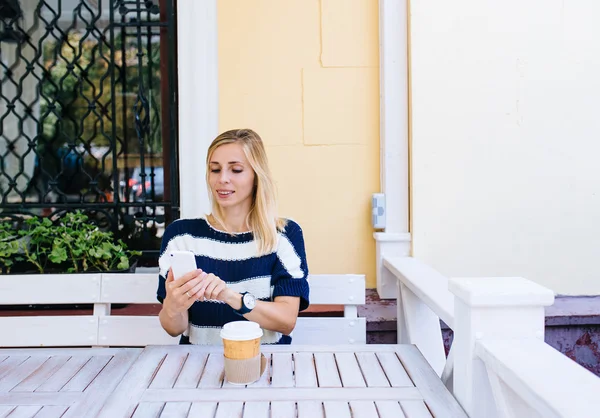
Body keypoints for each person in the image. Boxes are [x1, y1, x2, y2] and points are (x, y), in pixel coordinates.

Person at [156, 129, 309, 344]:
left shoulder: (283, 236)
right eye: (215, 170)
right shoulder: (181, 236)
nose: (223, 179)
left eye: (236, 170)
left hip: (266, 366)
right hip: (198, 366)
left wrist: (229, 296)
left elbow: (286, 321)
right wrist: (173, 306)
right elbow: (174, 328)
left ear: (256, 176)